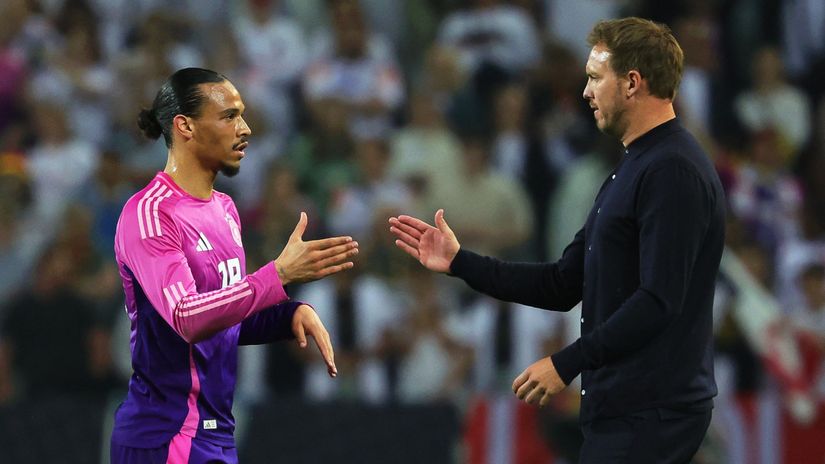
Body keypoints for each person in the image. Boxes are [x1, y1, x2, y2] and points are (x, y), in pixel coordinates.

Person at [390, 17, 725, 463]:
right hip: (625, 411)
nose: (585, 92)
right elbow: (563, 283)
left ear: (632, 83)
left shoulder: (672, 171)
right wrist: (460, 262)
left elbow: (659, 301)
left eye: (595, 78)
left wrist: (566, 363)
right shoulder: (633, 168)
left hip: (652, 412)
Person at [110, 67, 359, 464]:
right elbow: (187, 317)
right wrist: (277, 275)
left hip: (215, 433)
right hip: (166, 435)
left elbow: (224, 318)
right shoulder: (151, 214)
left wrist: (287, 316)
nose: (245, 129)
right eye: (229, 116)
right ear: (185, 126)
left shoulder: (225, 209)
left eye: (241, 115)